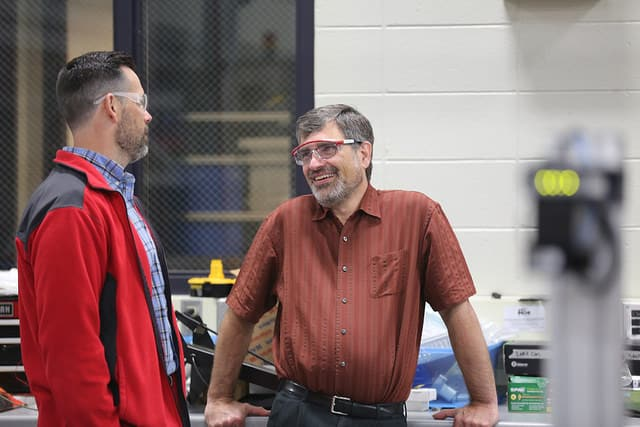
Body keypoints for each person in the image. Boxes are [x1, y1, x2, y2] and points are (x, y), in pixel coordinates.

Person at [204, 104, 499, 427]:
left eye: (326, 149)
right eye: (305, 154)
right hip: (299, 412)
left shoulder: (417, 216)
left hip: (379, 418)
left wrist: (483, 401)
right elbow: (240, 311)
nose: (314, 164)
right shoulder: (285, 222)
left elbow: (456, 309)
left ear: (364, 154)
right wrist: (219, 398)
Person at [15, 51, 190, 426]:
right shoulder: (70, 209)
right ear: (112, 106)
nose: (148, 115)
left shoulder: (117, 199)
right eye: (140, 102)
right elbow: (72, 358)